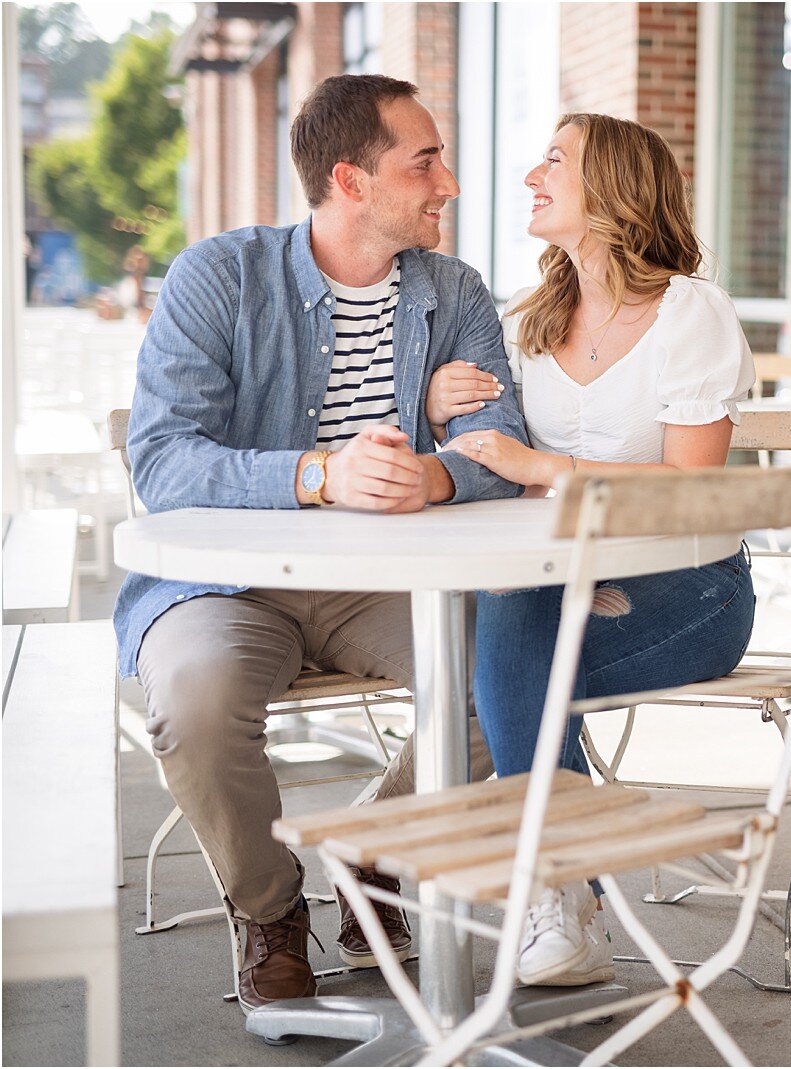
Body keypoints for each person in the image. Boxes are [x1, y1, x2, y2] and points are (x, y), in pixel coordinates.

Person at [115, 74, 523, 1014]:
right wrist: (316, 473)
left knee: (503, 672)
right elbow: (164, 459)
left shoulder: (453, 292)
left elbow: (502, 447)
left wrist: (437, 473)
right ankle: (270, 912)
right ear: (351, 178)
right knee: (194, 698)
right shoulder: (220, 275)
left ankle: (371, 848)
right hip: (226, 585)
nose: (447, 183)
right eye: (425, 162)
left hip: (386, 581)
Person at [428, 113, 757, 988]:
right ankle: (565, 896)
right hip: (560, 584)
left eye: (555, 160)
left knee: (486, 671)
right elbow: (484, 446)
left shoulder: (691, 313)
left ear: (611, 187)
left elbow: (693, 484)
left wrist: (548, 467)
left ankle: (514, 889)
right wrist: (436, 407)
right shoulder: (532, 318)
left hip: (689, 590)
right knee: (502, 636)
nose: (532, 174)